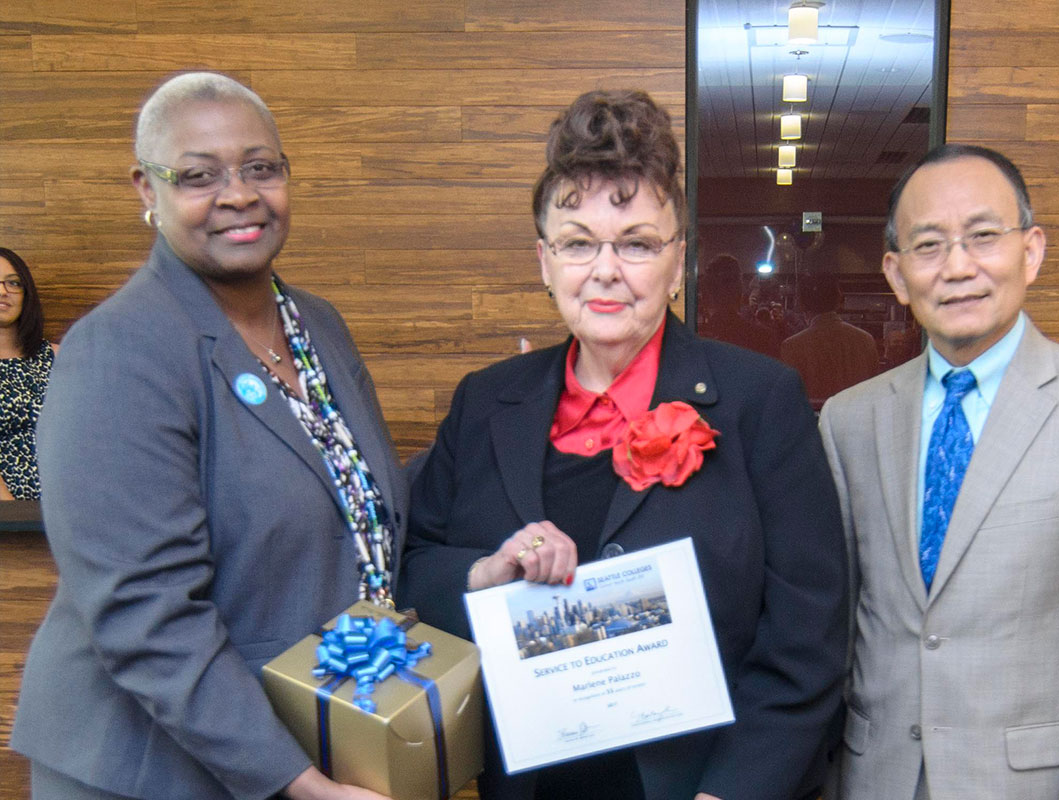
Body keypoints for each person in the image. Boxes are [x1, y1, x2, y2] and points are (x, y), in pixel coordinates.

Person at [400, 89, 846, 800]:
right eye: (578, 243)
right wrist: (484, 574)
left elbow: (809, 636)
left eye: (637, 242)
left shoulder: (762, 401)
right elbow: (412, 570)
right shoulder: (487, 402)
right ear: (545, 260)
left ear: (678, 262)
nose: (605, 270)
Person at [12, 72, 406, 800]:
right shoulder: (119, 351)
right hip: (151, 769)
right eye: (199, 175)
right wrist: (302, 784)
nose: (239, 194)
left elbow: (355, 499)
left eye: (261, 167)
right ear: (145, 189)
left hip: (298, 736)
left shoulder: (317, 325)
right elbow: (147, 615)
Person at [818, 144, 1059, 800]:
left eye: (984, 236)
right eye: (929, 246)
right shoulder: (851, 421)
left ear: (1031, 250)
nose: (958, 267)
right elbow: (840, 628)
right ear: (897, 276)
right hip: (875, 780)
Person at [0, 247, 57, 500]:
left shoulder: (60, 358)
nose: (3, 291)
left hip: (69, 505)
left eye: (13, 283)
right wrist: (14, 517)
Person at [780, 275, 878, 409]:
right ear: (838, 300)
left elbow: (789, 398)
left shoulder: (792, 346)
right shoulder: (866, 340)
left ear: (802, 303)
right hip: (857, 420)